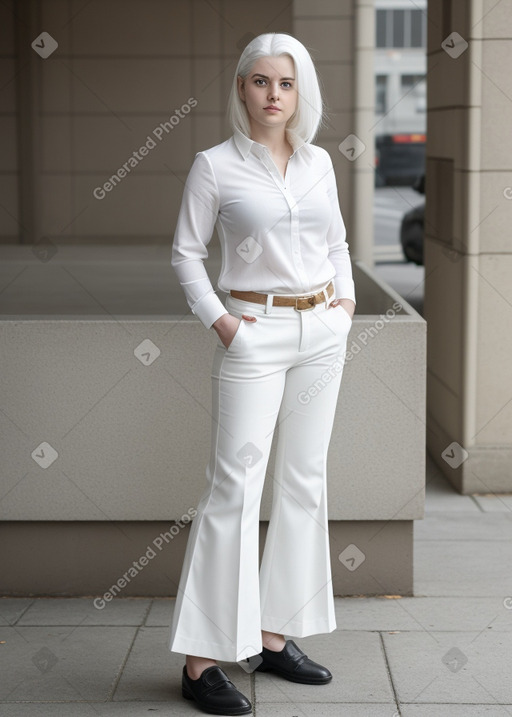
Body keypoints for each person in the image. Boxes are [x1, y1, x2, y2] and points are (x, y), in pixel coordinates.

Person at [169, 31, 356, 716]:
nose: (272, 94)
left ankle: (273, 636)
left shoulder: (318, 165)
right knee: (234, 489)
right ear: (241, 88)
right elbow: (186, 255)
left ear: (299, 92)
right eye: (260, 81)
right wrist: (223, 324)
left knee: (305, 482)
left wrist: (344, 307)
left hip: (321, 333)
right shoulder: (214, 166)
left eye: (285, 83)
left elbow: (336, 243)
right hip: (252, 334)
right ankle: (201, 660)